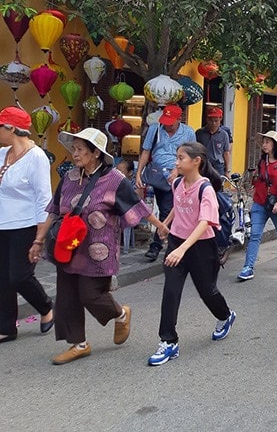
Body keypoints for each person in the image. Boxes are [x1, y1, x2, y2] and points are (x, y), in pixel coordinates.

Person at [42, 128, 165, 364]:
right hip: (69, 247)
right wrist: (39, 239)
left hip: (99, 249)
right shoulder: (68, 177)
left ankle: (120, 314)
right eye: (74, 149)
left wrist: (159, 225)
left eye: (80, 150)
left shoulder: (114, 180)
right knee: (67, 296)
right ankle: (79, 344)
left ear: (96, 153)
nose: (75, 154)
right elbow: (54, 209)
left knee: (91, 295)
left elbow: (136, 205)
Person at [148, 142, 236, 366]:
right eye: (176, 158)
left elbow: (204, 221)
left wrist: (183, 248)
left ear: (196, 161)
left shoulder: (206, 189)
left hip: (201, 246)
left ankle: (225, 316)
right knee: (171, 291)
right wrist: (164, 224)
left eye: (180, 158)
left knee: (207, 291)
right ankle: (168, 341)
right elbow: (178, 206)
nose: (176, 162)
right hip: (177, 242)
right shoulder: (178, 182)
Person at [0, 107, 54, 343]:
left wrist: (39, 238)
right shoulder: (2, 153)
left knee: (19, 276)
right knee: (2, 278)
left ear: (11, 128)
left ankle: (45, 307)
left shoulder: (36, 157)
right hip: (2, 224)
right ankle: (6, 327)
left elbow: (44, 199)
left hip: (25, 225)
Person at [136, 104, 196, 262]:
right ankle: (168, 241)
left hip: (177, 176)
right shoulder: (155, 129)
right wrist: (138, 173)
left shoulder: (188, 132)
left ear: (179, 119)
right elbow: (146, 152)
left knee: (166, 209)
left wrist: (178, 171)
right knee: (164, 209)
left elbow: (192, 156)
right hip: (156, 175)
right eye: (165, 120)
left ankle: (156, 245)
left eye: (170, 121)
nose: (167, 124)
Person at [238, 131, 277, 280]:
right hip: (260, 202)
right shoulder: (262, 161)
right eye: (263, 142)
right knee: (255, 235)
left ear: (274, 145)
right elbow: (258, 180)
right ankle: (248, 267)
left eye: (267, 142)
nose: (264, 145)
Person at [195, 105, 231, 178]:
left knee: (218, 187)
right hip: (203, 164)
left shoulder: (224, 135)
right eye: (211, 120)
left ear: (220, 119)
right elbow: (195, 150)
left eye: (216, 120)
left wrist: (227, 170)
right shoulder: (199, 133)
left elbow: (226, 153)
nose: (213, 123)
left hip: (218, 166)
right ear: (207, 119)